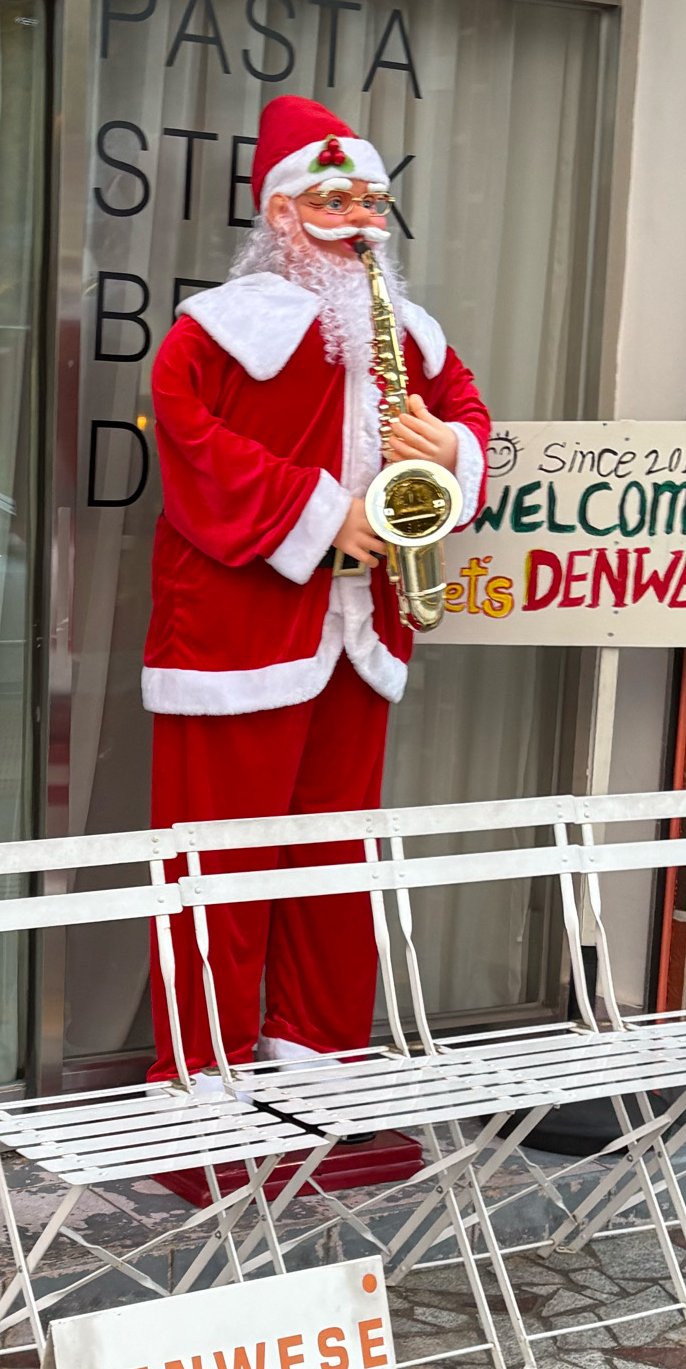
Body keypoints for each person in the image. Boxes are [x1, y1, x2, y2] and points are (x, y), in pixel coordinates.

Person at [144, 94, 490, 1081]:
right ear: (283, 214)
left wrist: (450, 448)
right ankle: (203, 1096)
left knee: (336, 866)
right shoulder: (214, 331)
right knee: (219, 868)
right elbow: (190, 437)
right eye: (335, 201)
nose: (362, 224)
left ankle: (323, 1074)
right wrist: (317, 512)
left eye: (373, 202)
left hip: (361, 632)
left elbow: (468, 414)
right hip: (240, 638)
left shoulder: (411, 334)